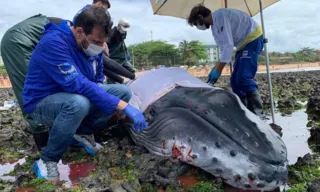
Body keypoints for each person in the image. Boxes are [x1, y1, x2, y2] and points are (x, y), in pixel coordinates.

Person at [22, 7, 147, 180]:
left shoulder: (90, 46)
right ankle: (48, 159)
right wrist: (123, 107)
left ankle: (82, 133)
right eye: (96, 41)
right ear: (80, 31)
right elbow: (77, 84)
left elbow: (96, 80)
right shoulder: (54, 42)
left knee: (122, 92)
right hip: (41, 103)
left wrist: (117, 100)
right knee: (77, 103)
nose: (100, 47)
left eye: (103, 42)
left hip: (75, 95)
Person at [187, 5, 264, 118]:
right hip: (243, 45)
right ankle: (245, 113)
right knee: (234, 81)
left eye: (196, 23)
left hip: (253, 38)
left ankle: (258, 114)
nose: (198, 26)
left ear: (200, 18)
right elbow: (223, 50)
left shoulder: (221, 15)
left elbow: (228, 45)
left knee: (244, 77)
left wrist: (219, 70)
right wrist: (214, 69)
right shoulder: (215, 29)